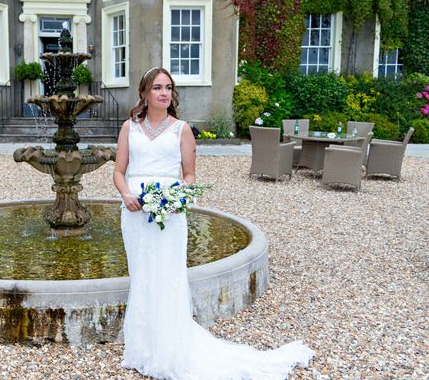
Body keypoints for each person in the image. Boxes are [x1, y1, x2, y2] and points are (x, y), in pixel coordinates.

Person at [113, 68, 314, 379]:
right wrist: (126, 194)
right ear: (144, 94)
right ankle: (142, 346)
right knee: (142, 276)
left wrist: (174, 199)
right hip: (135, 215)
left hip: (169, 216)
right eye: (157, 88)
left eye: (168, 87)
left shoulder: (181, 130)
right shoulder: (129, 128)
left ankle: (169, 347)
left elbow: (190, 176)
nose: (164, 93)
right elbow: (119, 171)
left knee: (167, 277)